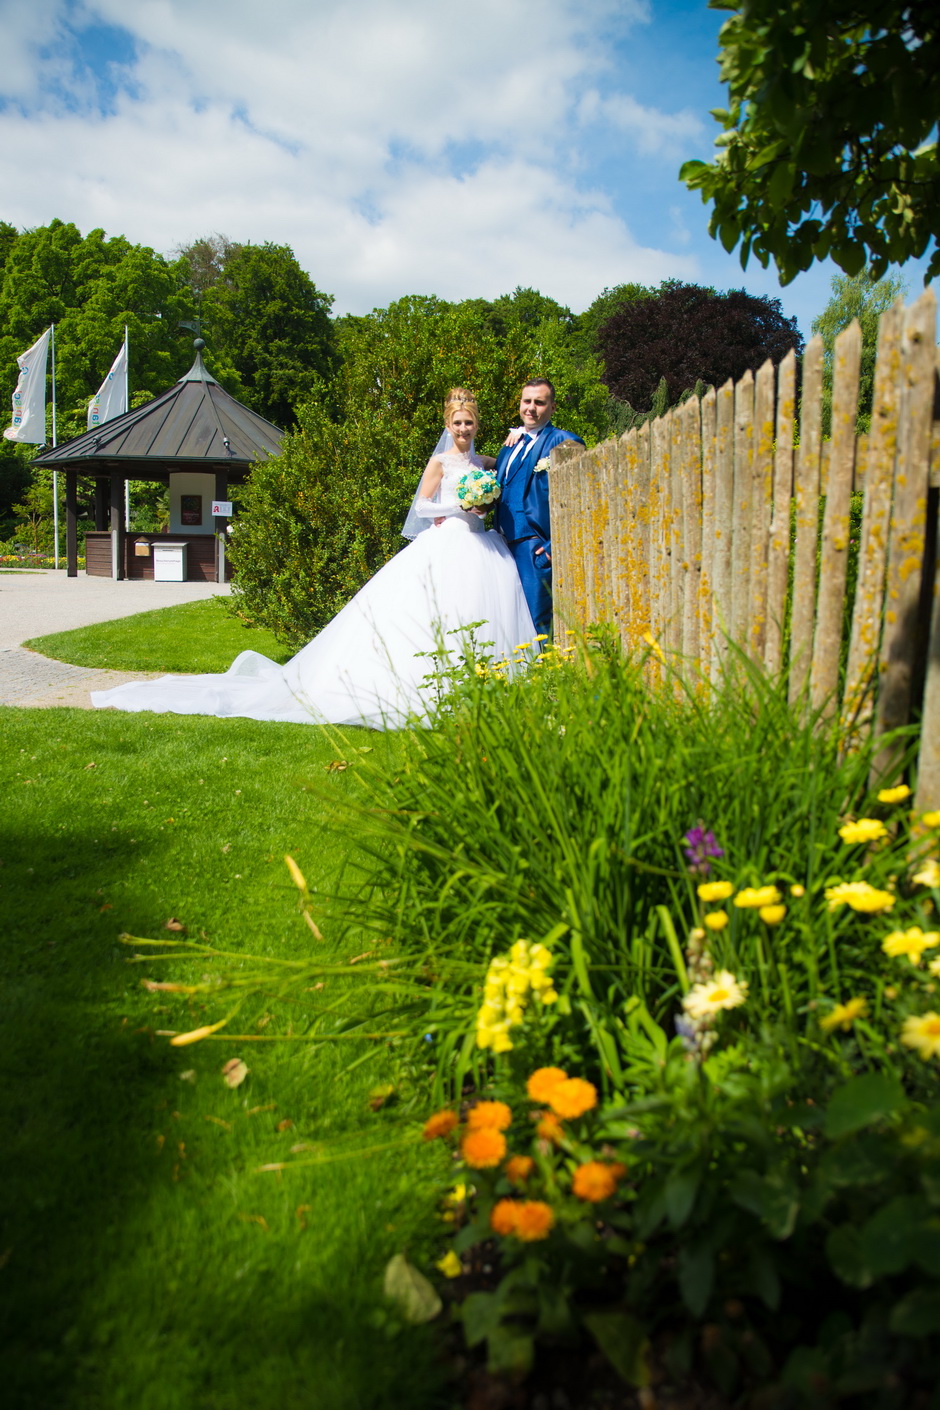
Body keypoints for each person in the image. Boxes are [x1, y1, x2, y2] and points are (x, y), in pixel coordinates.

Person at [91, 389, 535, 729]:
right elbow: (421, 508)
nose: (463, 430)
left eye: (469, 424)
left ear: (478, 426)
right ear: (448, 423)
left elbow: (505, 478)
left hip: (480, 543)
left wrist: (485, 497)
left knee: (480, 612)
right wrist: (457, 507)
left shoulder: (487, 460)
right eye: (458, 423)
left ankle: (478, 689)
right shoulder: (440, 461)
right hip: (446, 541)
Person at [493, 378, 584, 637]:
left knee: (536, 622)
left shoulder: (564, 441)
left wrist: (556, 544)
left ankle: (544, 675)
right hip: (501, 545)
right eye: (527, 401)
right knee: (508, 621)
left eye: (539, 402)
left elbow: (578, 498)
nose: (531, 408)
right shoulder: (510, 445)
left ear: (552, 407)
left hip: (535, 546)